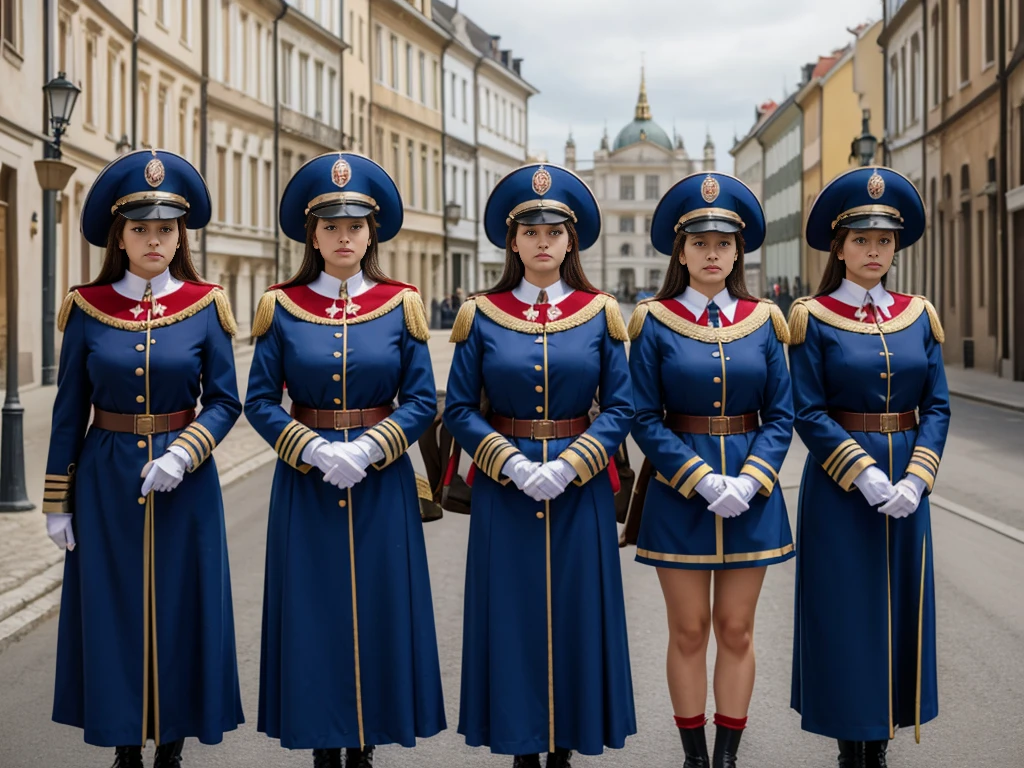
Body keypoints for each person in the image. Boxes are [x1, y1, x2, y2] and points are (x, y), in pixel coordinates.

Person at [44, 149, 243, 767]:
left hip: (187, 483)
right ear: (119, 236)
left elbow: (226, 401)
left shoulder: (207, 304)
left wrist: (185, 453)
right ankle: (124, 747)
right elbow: (68, 408)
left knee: (183, 609)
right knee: (115, 610)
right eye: (140, 229)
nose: (154, 240)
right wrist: (58, 500)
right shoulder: (87, 305)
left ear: (180, 233)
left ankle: (173, 748)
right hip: (105, 479)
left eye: (165, 228)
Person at [245, 153, 445, 768]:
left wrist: (369, 446)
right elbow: (258, 401)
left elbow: (420, 400)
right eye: (330, 227)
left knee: (379, 609)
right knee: (313, 612)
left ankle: (366, 745)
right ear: (313, 233)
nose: (343, 237)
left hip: (380, 482)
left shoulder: (400, 303)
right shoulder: (282, 304)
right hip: (305, 484)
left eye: (354, 226)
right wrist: (307, 446)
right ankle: (321, 745)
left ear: (371, 232)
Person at [443, 164, 636, 768]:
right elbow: (456, 409)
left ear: (571, 239)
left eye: (555, 230)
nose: (544, 240)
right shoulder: (482, 313)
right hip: (506, 490)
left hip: (580, 491)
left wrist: (574, 462)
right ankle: (522, 744)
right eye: (531, 231)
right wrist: (509, 463)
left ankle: (566, 747)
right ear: (513, 241)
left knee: (577, 614)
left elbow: (623, 404)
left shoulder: (600, 313)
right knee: (512, 616)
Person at [627, 172, 794, 768]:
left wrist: (750, 479)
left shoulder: (765, 321)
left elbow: (781, 412)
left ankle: (727, 754)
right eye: (700, 243)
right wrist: (699, 478)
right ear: (681, 251)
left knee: (737, 629)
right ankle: (693, 754)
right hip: (681, 497)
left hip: (753, 495)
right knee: (691, 630)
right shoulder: (653, 321)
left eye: (724, 243)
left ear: (738, 251)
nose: (713, 254)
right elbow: (644, 417)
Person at [788, 167, 949, 768]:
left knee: (899, 605)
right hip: (839, 490)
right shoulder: (813, 316)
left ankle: (879, 740)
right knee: (846, 611)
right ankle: (848, 741)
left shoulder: (917, 315)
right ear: (840, 246)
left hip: (908, 488)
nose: (874, 251)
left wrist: (917, 477)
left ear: (896, 247)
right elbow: (807, 409)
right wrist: (861, 472)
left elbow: (937, 405)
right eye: (861, 240)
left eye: (884, 241)